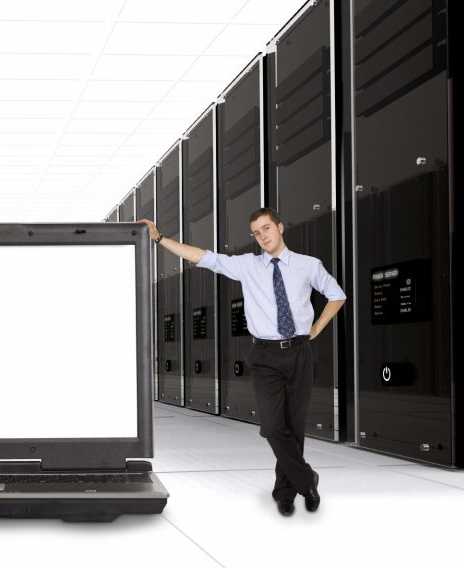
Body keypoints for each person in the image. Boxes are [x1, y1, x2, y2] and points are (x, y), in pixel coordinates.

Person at [139, 208, 345, 517]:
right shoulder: (247, 266)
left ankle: (285, 492)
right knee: (273, 427)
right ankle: (307, 480)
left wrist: (316, 328)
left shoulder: (308, 265)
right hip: (265, 356)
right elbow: (202, 257)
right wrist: (158, 239)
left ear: (280, 226)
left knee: (294, 427)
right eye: (257, 233)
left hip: (300, 352)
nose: (263, 236)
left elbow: (336, 295)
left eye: (267, 229)